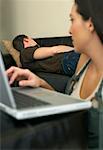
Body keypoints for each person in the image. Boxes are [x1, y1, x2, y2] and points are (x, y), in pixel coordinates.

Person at [6, 0, 103, 148]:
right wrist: (41, 83)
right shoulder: (83, 60)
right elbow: (71, 105)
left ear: (90, 23)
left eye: (72, 20)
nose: (69, 30)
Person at [12, 34, 80, 77]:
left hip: (66, 64)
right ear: (26, 40)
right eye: (31, 38)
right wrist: (77, 50)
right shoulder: (25, 52)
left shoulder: (26, 58)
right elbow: (54, 51)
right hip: (67, 61)